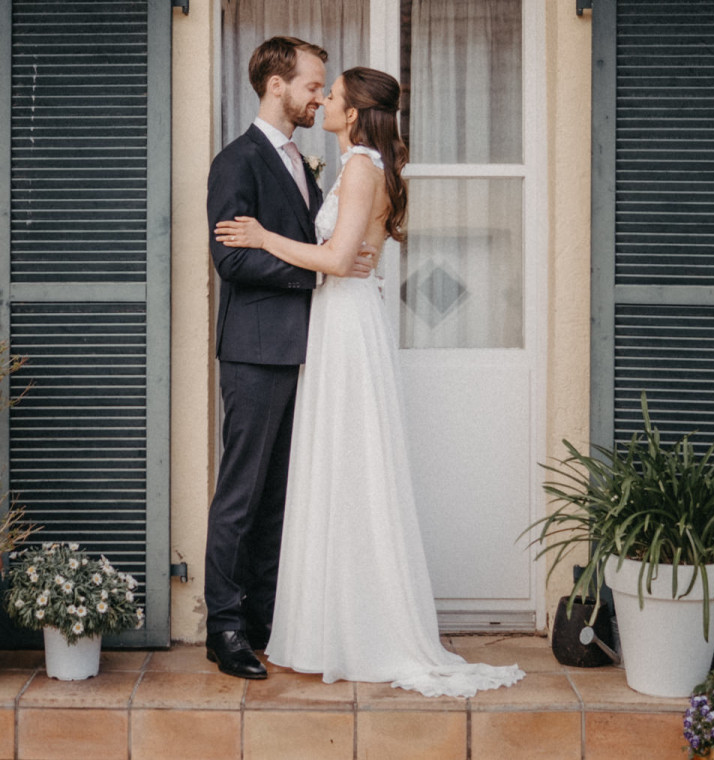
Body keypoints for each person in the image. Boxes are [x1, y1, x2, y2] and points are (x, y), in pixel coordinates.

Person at [215, 66, 525, 697]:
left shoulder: (358, 166)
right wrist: (328, 257)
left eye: (331, 94)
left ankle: (354, 625)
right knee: (323, 470)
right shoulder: (341, 163)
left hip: (344, 324)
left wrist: (266, 235)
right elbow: (334, 255)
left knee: (345, 467)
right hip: (328, 323)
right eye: (317, 88)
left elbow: (333, 258)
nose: (323, 99)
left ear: (353, 113)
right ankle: (303, 619)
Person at [203, 36, 375, 681]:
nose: (318, 97)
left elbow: (310, 245)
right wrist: (318, 277)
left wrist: (342, 257)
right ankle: (225, 627)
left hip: (307, 351)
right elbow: (232, 258)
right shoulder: (237, 161)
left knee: (281, 497)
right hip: (254, 352)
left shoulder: (304, 162)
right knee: (242, 493)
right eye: (312, 84)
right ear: (277, 84)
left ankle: (267, 618)